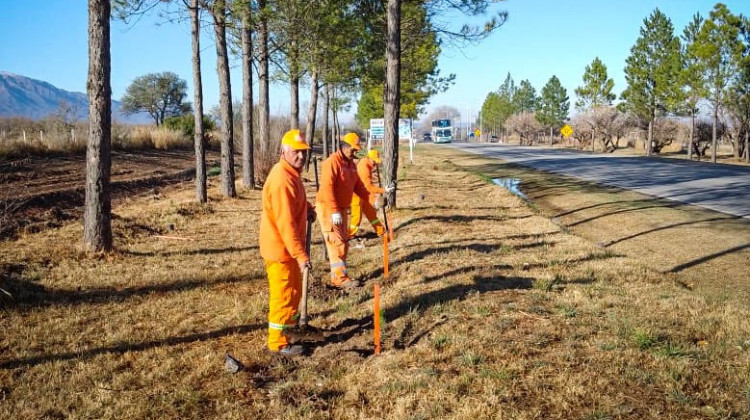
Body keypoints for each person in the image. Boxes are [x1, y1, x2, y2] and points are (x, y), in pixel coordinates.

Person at [259, 129, 315, 356]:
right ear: (284, 152)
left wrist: (307, 209)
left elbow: (295, 205)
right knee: (283, 296)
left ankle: (289, 333)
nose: (301, 156)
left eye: (303, 152)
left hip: (288, 249)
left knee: (293, 293)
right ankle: (278, 343)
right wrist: (301, 256)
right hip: (281, 250)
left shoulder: (292, 173)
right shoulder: (282, 179)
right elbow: (286, 224)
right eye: (296, 152)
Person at [316, 133, 387, 289]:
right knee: (337, 242)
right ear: (344, 147)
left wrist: (373, 199)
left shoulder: (351, 165)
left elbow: (359, 187)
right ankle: (339, 279)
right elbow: (327, 188)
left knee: (344, 242)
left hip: (340, 208)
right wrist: (334, 211)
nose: (355, 153)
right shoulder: (331, 163)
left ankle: (341, 275)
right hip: (328, 208)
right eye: (353, 150)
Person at [349, 149, 386, 237]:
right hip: (356, 194)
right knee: (357, 216)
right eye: (374, 161)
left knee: (371, 213)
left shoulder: (368, 165)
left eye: (376, 161)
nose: (375, 163)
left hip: (363, 193)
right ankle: (349, 235)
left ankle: (381, 231)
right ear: (369, 158)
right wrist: (384, 190)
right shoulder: (364, 167)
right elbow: (368, 187)